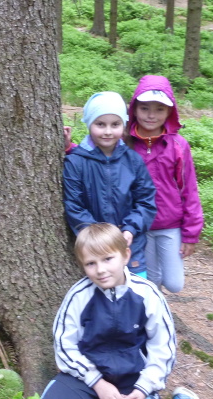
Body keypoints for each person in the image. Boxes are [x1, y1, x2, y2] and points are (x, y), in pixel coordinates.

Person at [37, 223, 213, 399]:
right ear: (81, 265)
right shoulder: (79, 296)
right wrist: (98, 383)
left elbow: (163, 348)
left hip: (130, 379)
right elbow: (65, 345)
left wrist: (144, 386)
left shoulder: (147, 294)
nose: (101, 270)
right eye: (91, 263)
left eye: (108, 259)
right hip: (85, 375)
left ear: (125, 255)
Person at [63, 91, 156, 277]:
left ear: (124, 125)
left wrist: (130, 229)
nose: (107, 131)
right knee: (101, 288)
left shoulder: (133, 160)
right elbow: (73, 205)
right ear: (89, 123)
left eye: (115, 124)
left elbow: (146, 201)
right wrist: (97, 236)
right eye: (100, 124)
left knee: (135, 289)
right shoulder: (75, 162)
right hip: (94, 248)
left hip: (130, 244)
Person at [125, 75, 203, 293]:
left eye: (159, 109)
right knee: (151, 280)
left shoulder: (178, 145)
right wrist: (69, 148)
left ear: (170, 111)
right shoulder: (125, 142)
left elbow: (189, 190)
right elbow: (95, 157)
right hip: (139, 225)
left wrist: (191, 233)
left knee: (174, 284)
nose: (151, 115)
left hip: (170, 224)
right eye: (145, 108)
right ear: (134, 109)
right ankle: (154, 307)